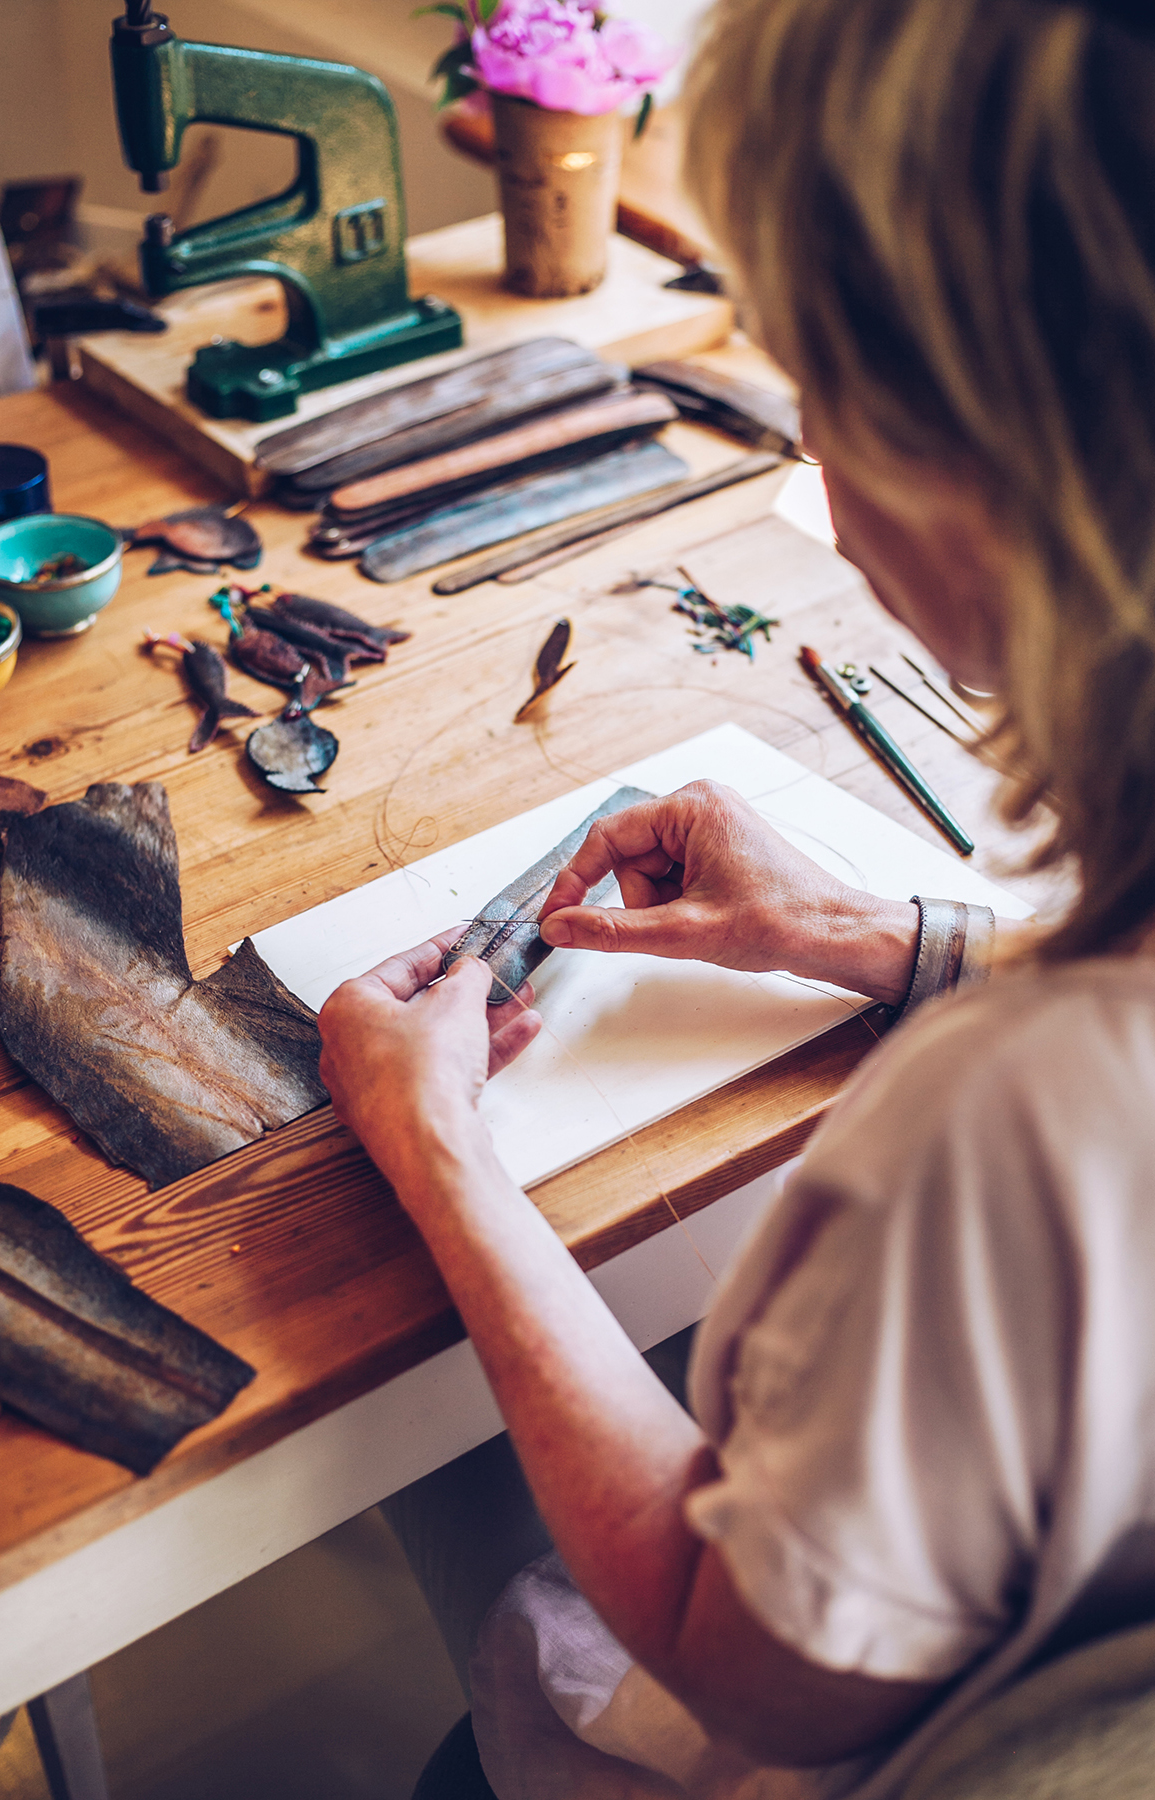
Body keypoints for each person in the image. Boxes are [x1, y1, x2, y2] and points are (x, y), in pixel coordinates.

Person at [314, 1, 1155, 1793]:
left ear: (980, 463)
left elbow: (734, 1650)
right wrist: (889, 937)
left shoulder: (1006, 1134)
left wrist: (440, 1150)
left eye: (814, 381)